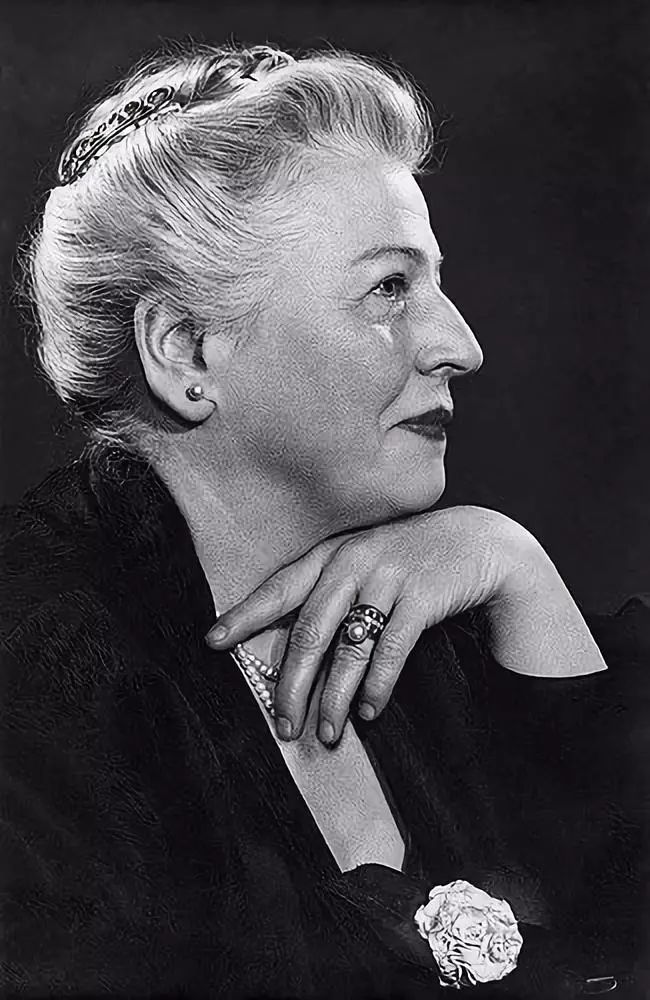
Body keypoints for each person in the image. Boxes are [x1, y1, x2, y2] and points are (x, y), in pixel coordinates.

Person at [0, 42, 646, 998]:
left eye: (434, 283)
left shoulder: (447, 615)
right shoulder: (34, 680)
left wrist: (515, 566)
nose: (460, 345)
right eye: (389, 288)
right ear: (187, 350)